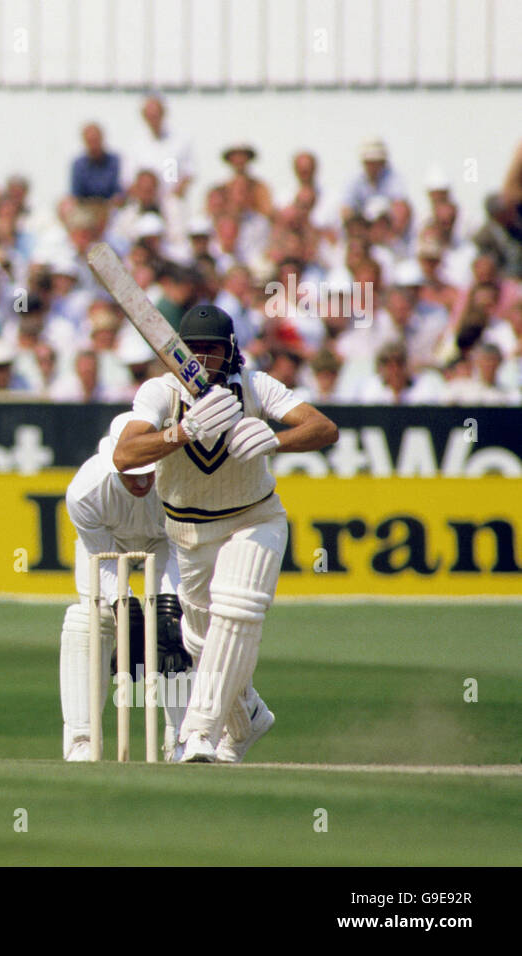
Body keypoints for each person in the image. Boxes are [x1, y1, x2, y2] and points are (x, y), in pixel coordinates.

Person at [114, 305, 338, 763]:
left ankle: (198, 733)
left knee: (238, 610)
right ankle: (247, 716)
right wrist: (182, 432)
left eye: (211, 349)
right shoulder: (161, 391)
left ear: (230, 348)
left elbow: (323, 428)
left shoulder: (256, 385)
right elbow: (125, 455)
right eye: (192, 349)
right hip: (188, 532)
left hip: (254, 519)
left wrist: (276, 441)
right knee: (202, 640)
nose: (201, 358)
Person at [61, 414, 191, 762]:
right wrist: (125, 606)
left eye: (148, 472)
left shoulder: (180, 479)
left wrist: (167, 606)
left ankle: (183, 740)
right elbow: (101, 558)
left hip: (168, 543)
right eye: (132, 475)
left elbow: (184, 545)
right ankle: (81, 741)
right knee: (89, 619)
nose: (141, 482)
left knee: (176, 627)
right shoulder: (85, 491)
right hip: (110, 544)